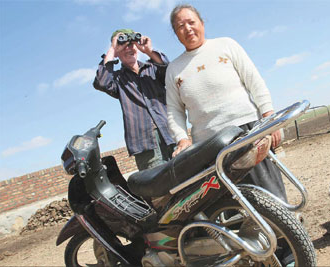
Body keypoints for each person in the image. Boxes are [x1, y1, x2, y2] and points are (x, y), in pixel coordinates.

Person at [165, 5, 288, 202]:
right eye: (180, 26)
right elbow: (174, 110)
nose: (187, 28)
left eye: (191, 22)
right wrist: (182, 139)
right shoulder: (173, 69)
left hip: (248, 131)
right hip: (209, 145)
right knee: (231, 203)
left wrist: (268, 117)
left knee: (272, 197)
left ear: (202, 23)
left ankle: (283, 233)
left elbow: (254, 81)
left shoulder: (226, 45)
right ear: (176, 34)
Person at [93, 29, 175, 171]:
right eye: (123, 46)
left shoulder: (153, 69)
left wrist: (149, 51)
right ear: (117, 52)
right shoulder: (118, 80)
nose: (129, 48)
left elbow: (170, 70)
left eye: (132, 45)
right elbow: (101, 82)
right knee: (158, 186)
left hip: (172, 134)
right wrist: (113, 49)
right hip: (145, 143)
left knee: (188, 178)